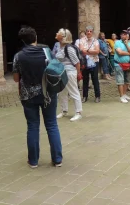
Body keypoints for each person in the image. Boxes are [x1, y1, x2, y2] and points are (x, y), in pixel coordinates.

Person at [13, 27, 62, 168]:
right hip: (48, 93)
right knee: (52, 124)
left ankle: (33, 161)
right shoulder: (46, 51)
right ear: (35, 37)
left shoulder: (18, 56)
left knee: (33, 126)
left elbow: (16, 79)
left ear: (22, 41)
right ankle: (57, 159)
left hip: (28, 95)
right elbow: (55, 69)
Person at [55, 29, 83, 122]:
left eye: (58, 33)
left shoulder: (69, 48)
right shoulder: (60, 47)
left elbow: (77, 62)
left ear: (63, 37)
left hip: (70, 72)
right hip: (62, 72)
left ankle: (78, 112)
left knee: (73, 91)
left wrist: (77, 74)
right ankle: (64, 110)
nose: (56, 34)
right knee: (62, 92)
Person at [79, 26, 101, 103]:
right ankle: (85, 96)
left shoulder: (96, 41)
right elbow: (81, 51)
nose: (89, 32)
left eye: (90, 31)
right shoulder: (81, 40)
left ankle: (97, 96)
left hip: (94, 62)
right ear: (86, 32)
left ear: (92, 32)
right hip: (85, 62)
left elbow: (97, 51)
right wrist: (92, 51)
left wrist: (87, 51)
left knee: (95, 79)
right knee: (85, 79)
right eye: (87, 31)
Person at [114, 30, 130, 103]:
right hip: (118, 64)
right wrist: (129, 53)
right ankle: (121, 96)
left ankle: (124, 94)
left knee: (127, 81)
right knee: (120, 81)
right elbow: (120, 52)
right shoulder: (117, 42)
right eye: (122, 34)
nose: (124, 36)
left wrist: (126, 45)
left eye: (125, 34)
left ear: (128, 36)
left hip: (127, 64)